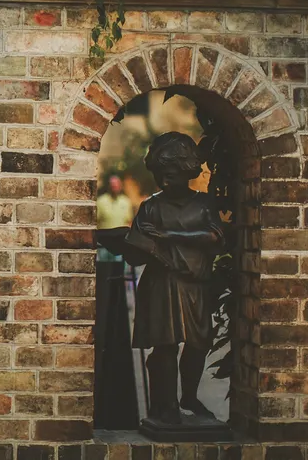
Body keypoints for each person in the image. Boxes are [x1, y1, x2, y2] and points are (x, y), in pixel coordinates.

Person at [125, 132, 224, 426]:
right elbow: (138, 247)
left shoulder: (204, 204)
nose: (165, 182)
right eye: (160, 176)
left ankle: (189, 396)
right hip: (163, 285)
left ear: (188, 172)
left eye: (172, 175)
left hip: (195, 284)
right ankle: (164, 404)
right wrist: (136, 246)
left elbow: (216, 236)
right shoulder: (151, 206)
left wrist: (171, 235)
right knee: (165, 346)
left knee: (198, 343)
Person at [94, 174, 133, 262]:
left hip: (120, 244)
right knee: (104, 269)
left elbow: (129, 222)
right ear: (109, 186)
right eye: (112, 186)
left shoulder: (126, 202)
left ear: (120, 186)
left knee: (118, 271)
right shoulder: (101, 201)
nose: (114, 188)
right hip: (103, 244)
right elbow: (95, 222)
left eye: (116, 186)